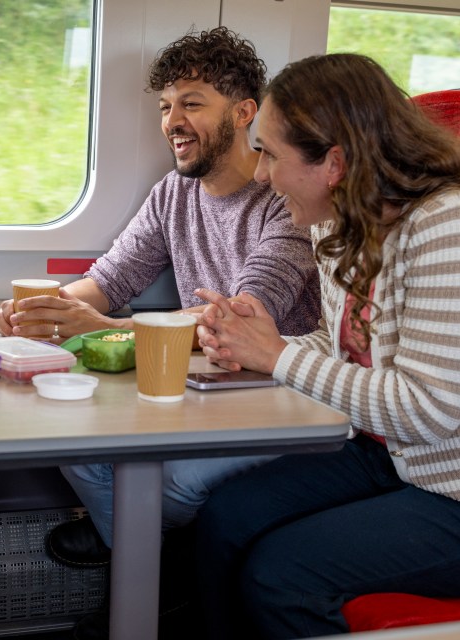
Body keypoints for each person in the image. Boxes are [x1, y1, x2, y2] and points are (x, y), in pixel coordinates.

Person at [192, 52, 460, 639]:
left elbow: (427, 409)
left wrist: (275, 357)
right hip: (395, 461)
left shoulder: (453, 226)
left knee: (279, 575)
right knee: (225, 519)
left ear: (333, 162)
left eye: (271, 154)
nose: (259, 174)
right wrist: (262, 341)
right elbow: (351, 352)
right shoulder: (343, 220)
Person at [24, 27, 321, 575]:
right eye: (166, 106)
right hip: (197, 380)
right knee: (74, 446)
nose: (171, 122)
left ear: (242, 113)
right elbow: (111, 279)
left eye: (191, 104)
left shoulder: (285, 201)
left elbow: (242, 317)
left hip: (276, 392)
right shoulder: (174, 193)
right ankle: (154, 573)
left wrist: (98, 327)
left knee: (177, 484)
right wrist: (42, 307)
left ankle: (153, 580)